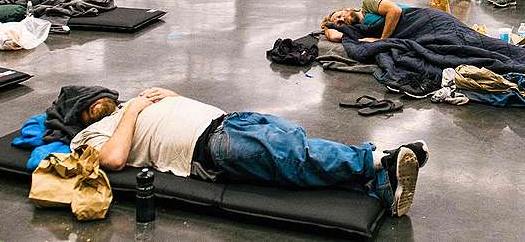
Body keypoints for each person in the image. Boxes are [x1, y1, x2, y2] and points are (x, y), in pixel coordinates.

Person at [71, 88, 426, 217]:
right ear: (80, 115)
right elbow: (114, 160)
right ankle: (380, 159)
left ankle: (378, 185)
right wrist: (132, 111)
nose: (99, 104)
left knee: (296, 145)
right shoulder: (90, 135)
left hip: (229, 119)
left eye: (101, 98)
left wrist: (173, 97)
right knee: (293, 156)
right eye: (90, 105)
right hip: (208, 148)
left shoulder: (128, 104)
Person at [323, 0, 417, 43]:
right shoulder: (360, 30)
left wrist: (381, 40)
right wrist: (328, 27)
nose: (342, 19)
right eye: (340, 23)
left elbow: (395, 11)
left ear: (347, 9)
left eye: (339, 16)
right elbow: (334, 36)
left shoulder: (367, 4)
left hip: (414, 18)